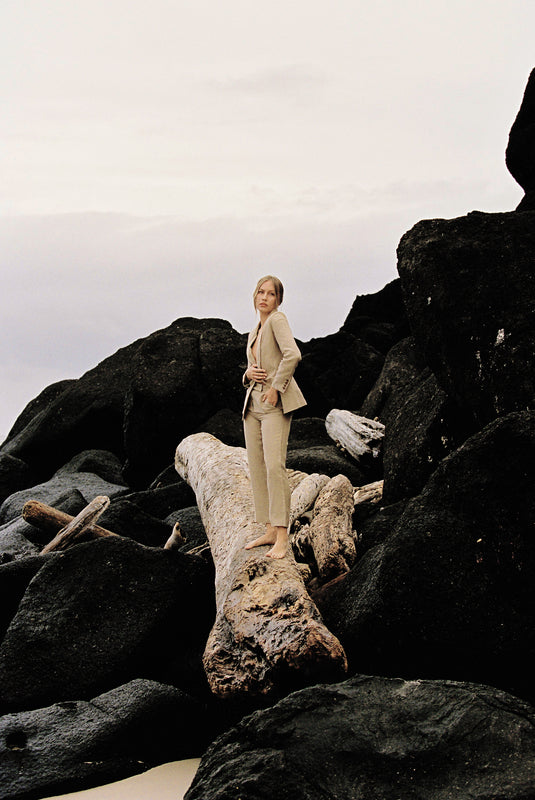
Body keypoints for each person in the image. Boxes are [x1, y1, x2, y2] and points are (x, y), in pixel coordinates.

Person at [242, 276, 307, 558]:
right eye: (260, 292)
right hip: (252, 406)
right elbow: (253, 366)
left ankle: (283, 535)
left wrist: (277, 388)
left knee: (274, 467)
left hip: (273, 406)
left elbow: (293, 355)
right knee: (256, 467)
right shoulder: (255, 328)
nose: (264, 297)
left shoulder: (278, 320)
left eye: (270, 294)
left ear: (278, 299)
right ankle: (269, 528)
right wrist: (247, 375)